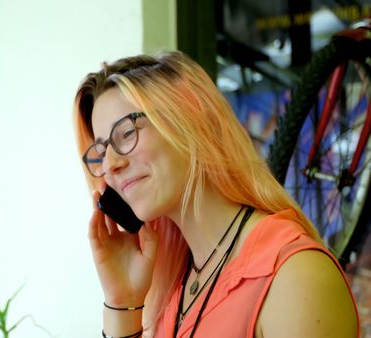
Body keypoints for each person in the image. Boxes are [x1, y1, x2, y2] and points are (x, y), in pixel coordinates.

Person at [73, 51, 359, 338]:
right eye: (101, 150)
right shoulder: (175, 285)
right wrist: (124, 302)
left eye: (126, 132)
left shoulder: (295, 278)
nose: (110, 164)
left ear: (189, 119)